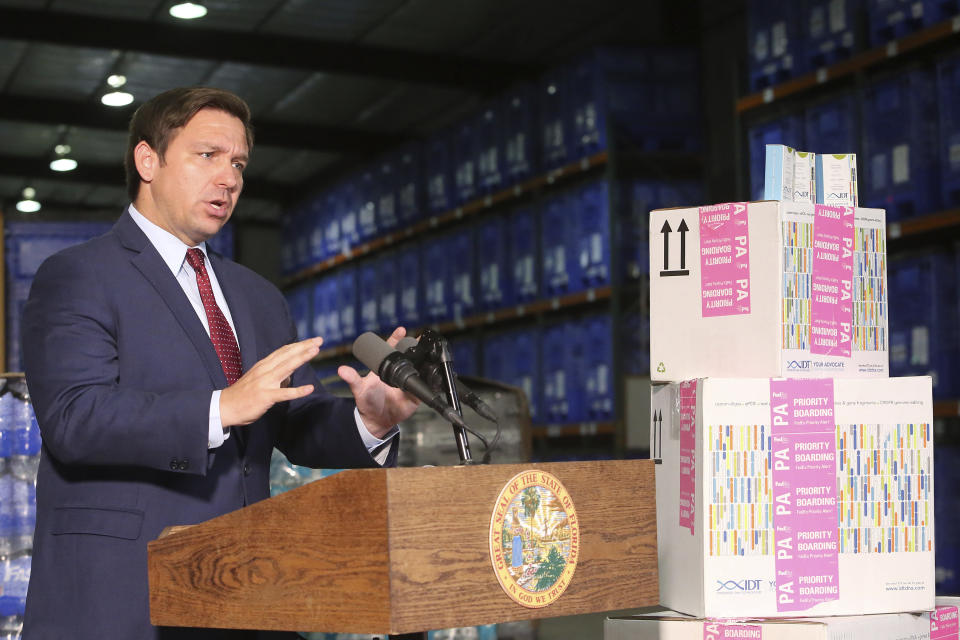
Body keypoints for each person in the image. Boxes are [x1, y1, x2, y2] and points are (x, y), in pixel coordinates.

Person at [20, 87, 419, 639]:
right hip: (126, 599)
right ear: (147, 161)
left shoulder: (256, 296)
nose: (229, 178)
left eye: (238, 163)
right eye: (207, 155)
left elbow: (290, 419)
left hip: (248, 594)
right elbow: (75, 419)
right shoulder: (78, 276)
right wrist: (220, 408)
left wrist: (369, 420)